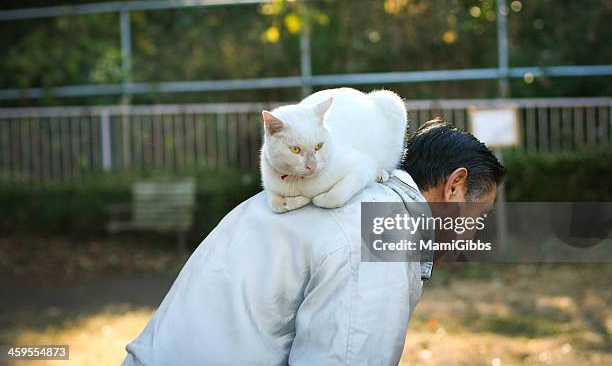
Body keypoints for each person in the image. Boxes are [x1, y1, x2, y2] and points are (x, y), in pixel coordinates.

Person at [122, 118, 506, 366]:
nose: (476, 230)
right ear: (454, 186)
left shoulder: (318, 190)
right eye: (481, 215)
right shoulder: (384, 230)